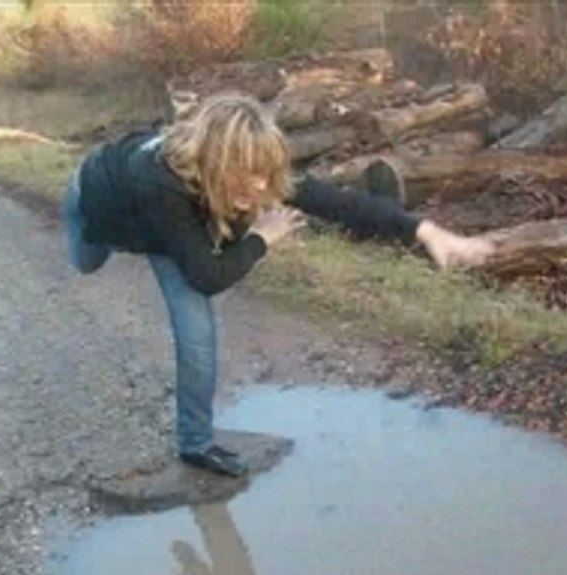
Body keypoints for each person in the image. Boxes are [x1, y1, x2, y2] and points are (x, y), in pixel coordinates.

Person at [63, 92, 494, 477]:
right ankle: (96, 232)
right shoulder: (157, 180)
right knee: (86, 263)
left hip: (171, 233)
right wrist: (260, 239)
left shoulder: (256, 173)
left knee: (198, 335)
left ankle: (196, 445)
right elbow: (210, 276)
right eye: (247, 174)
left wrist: (423, 230)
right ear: (216, 161)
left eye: (265, 174)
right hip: (102, 210)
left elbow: (337, 203)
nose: (260, 186)